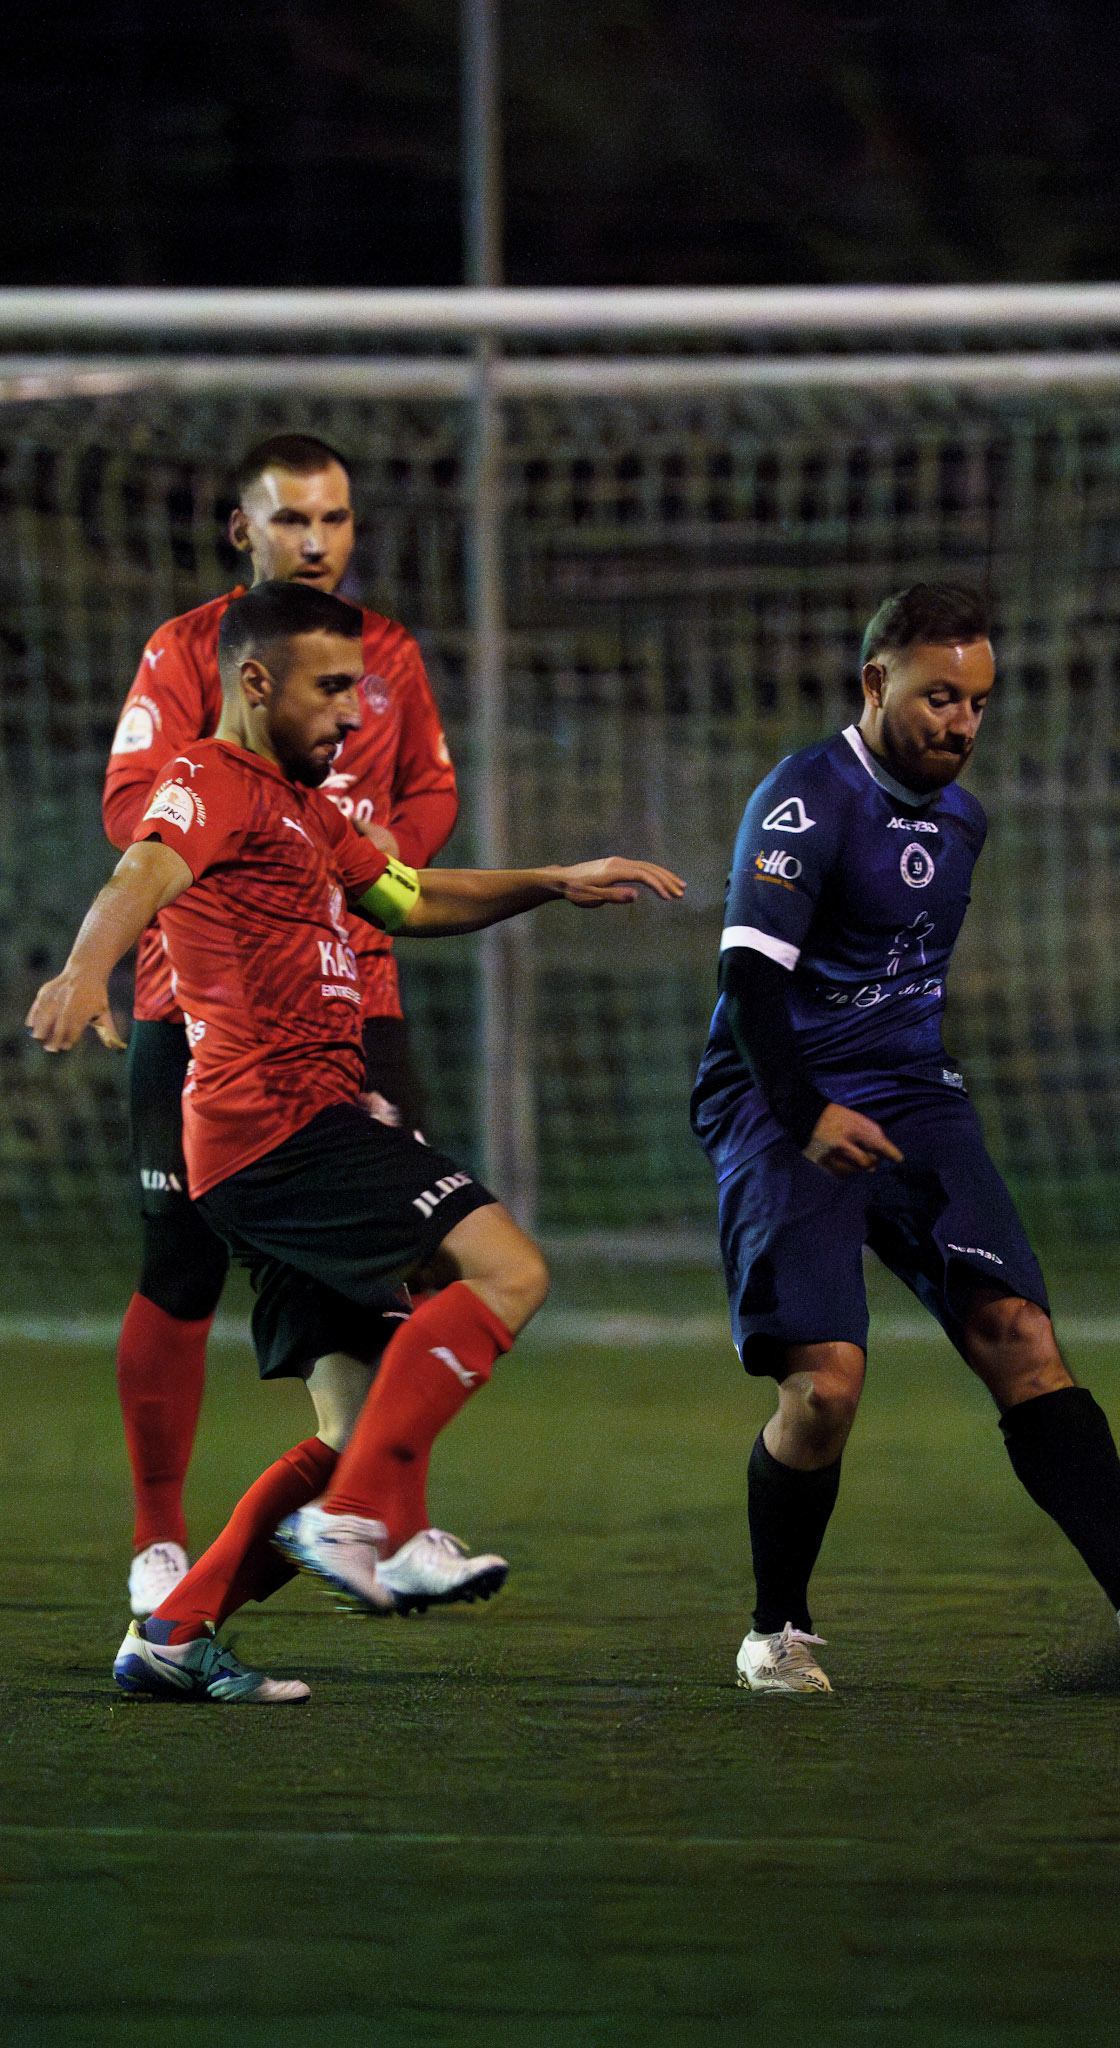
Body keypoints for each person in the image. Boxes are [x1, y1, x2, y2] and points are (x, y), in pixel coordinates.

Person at [29, 581, 685, 1704]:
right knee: (509, 1268)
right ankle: (357, 1520)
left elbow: (405, 898)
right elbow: (142, 867)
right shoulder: (211, 779)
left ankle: (177, 1634)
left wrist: (546, 881)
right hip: (280, 1126)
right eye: (331, 687)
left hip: (290, 1134)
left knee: (361, 1415)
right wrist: (86, 967)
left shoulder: (311, 809)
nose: (352, 712)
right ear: (253, 682)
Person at [690, 581, 1120, 1693]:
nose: (962, 724)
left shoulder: (963, 821)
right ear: (875, 684)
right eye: (940, 697)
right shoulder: (803, 800)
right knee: (826, 1385)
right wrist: (808, 1114)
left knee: (1019, 1331)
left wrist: (893, 1097)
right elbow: (745, 985)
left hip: (911, 1093)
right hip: (776, 1094)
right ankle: (773, 1629)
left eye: (980, 701)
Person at [102, 433, 458, 1620]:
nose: (319, 539)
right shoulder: (187, 652)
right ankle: (162, 1542)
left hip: (357, 991)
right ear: (240, 530)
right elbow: (135, 813)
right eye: (294, 518)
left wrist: (371, 865)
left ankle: (381, 1514)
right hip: (196, 999)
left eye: (338, 518)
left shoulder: (391, 653)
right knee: (181, 1262)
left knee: (390, 1262)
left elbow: (429, 798)